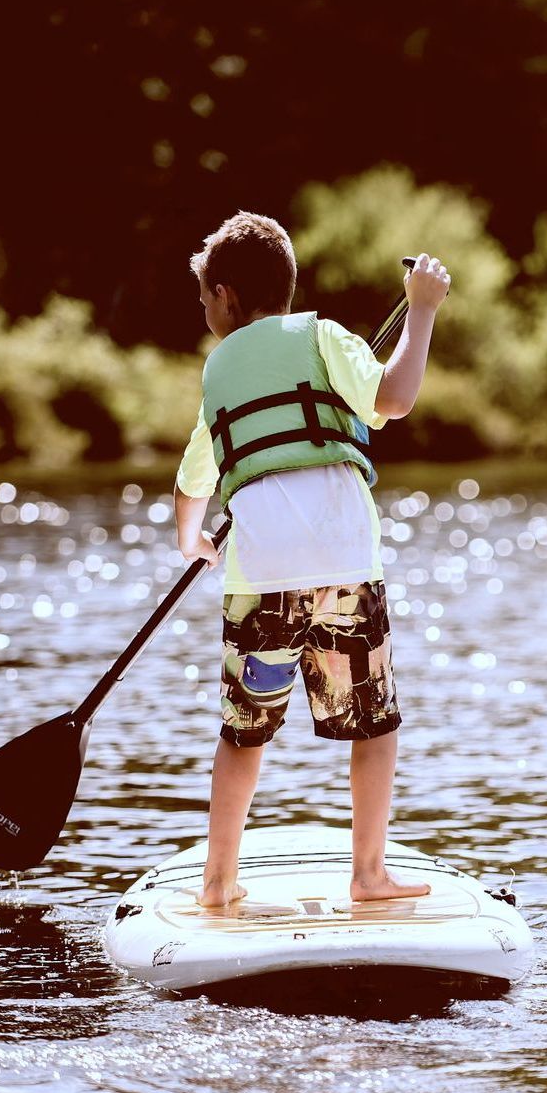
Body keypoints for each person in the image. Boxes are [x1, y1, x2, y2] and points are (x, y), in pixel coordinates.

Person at [173, 210, 450, 908]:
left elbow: (194, 479)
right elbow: (395, 396)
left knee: (244, 736)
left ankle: (217, 883)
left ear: (228, 296)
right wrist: (421, 314)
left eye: (205, 296)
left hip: (261, 577)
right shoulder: (325, 338)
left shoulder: (217, 372)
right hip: (345, 569)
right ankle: (368, 875)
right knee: (374, 725)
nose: (204, 308)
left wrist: (191, 538)